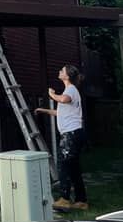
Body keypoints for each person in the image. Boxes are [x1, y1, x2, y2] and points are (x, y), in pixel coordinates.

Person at [35, 64, 87, 211]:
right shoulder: (70, 90)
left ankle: (64, 199)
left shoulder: (70, 90)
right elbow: (61, 112)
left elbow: (63, 100)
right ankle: (81, 201)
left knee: (64, 166)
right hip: (75, 133)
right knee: (74, 168)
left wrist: (51, 94)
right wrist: (44, 110)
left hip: (71, 134)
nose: (59, 71)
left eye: (62, 70)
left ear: (67, 76)